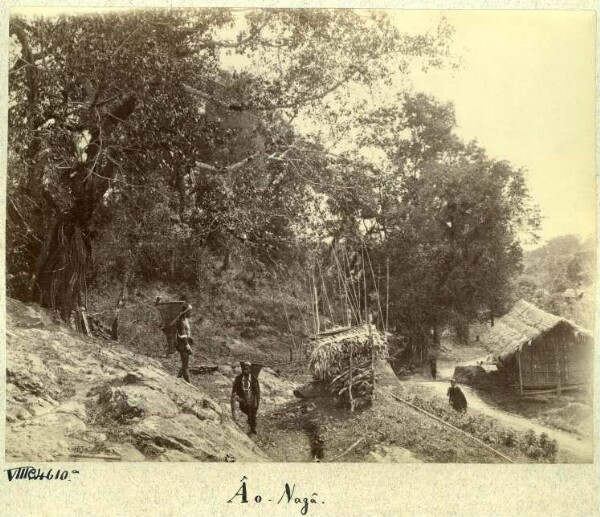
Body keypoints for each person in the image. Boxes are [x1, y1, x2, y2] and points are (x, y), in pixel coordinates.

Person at [231, 361, 261, 435]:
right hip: (243, 399)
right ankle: (235, 418)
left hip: (252, 399)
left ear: (250, 369)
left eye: (247, 369)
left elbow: (257, 392)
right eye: (244, 369)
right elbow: (234, 390)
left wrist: (256, 401)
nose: (245, 370)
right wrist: (235, 395)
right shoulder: (238, 379)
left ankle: (252, 428)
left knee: (252, 413)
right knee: (247, 411)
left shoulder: (253, 379)